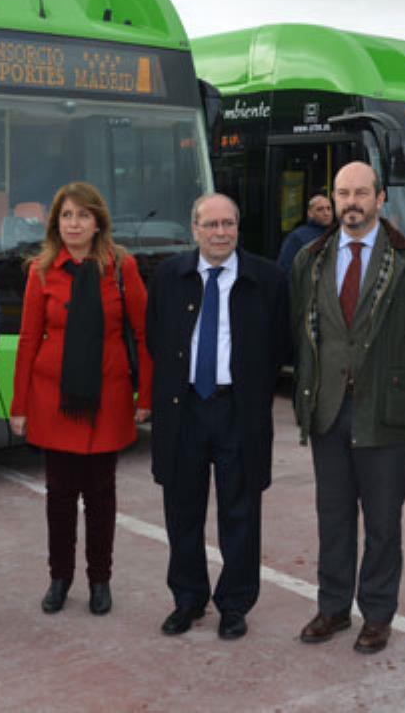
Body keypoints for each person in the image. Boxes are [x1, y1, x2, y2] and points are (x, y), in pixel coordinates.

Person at [291, 161, 405, 654]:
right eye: (343, 193)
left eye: (361, 193)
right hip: (328, 410)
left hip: (386, 414)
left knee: (382, 522)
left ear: (380, 199)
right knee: (333, 517)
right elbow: (302, 328)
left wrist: (396, 378)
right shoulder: (311, 259)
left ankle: (377, 615)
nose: (351, 202)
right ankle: (333, 608)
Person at [146, 193, 289, 640]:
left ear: (238, 228)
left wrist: (250, 386)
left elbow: (280, 345)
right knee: (182, 511)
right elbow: (154, 337)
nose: (221, 232)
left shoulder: (267, 278)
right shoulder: (168, 276)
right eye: (211, 224)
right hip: (183, 409)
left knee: (240, 513)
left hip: (238, 411)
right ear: (195, 229)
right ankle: (187, 600)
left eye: (228, 223)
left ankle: (234, 604)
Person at [10, 182, 153, 617]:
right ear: (56, 223)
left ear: (98, 222)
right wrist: (19, 406)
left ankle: (100, 580)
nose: (74, 224)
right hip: (53, 401)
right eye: (66, 216)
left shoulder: (122, 267)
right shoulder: (40, 271)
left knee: (101, 495)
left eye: (83, 215)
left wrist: (145, 395)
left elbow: (144, 334)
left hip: (107, 400)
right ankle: (59, 578)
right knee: (58, 495)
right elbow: (29, 339)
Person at [277, 193, 333, 278]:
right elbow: (286, 267)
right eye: (320, 209)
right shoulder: (297, 236)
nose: (326, 213)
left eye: (329, 208)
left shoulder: (336, 233)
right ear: (310, 213)